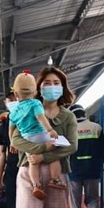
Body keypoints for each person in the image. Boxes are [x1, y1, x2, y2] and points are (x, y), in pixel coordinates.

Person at [8, 66, 77, 208]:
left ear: (63, 87)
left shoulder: (67, 116)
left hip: (56, 175)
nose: (51, 87)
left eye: (56, 83)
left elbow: (72, 146)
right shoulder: (25, 108)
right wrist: (37, 152)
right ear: (37, 87)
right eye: (46, 83)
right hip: (28, 172)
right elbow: (16, 139)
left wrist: (43, 156)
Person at [9, 70, 66, 200]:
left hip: (27, 138)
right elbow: (40, 117)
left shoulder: (13, 111)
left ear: (16, 94)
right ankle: (55, 179)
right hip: (40, 134)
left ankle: (36, 185)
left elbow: (11, 130)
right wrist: (50, 130)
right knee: (54, 155)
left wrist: (12, 142)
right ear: (35, 92)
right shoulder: (35, 103)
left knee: (32, 163)